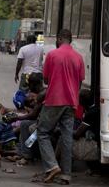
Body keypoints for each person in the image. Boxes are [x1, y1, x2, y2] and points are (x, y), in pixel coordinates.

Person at [34, 29, 84, 184]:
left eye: (57, 38)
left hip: (55, 100)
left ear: (60, 38)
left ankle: (52, 166)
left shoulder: (52, 55)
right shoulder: (78, 57)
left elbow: (47, 80)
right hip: (71, 102)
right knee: (67, 137)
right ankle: (66, 175)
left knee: (42, 132)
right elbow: (80, 81)